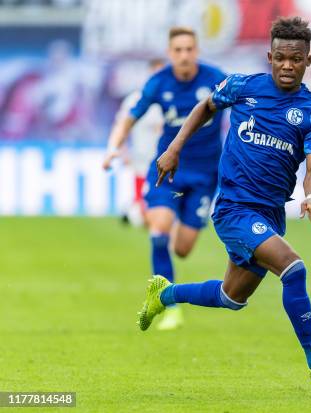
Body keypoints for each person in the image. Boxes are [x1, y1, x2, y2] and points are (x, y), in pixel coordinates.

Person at [138, 16, 311, 384]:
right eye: (281, 58)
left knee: (231, 297)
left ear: (309, 61)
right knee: (293, 268)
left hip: (270, 214)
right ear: (269, 56)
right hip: (234, 209)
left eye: (297, 59)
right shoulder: (242, 87)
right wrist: (175, 147)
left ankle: (166, 293)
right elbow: (206, 106)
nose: (288, 66)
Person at [103, 27, 226, 330]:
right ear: (171, 54)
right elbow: (129, 117)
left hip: (204, 175)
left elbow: (246, 107)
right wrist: (112, 148)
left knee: (183, 248)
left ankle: (169, 279)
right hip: (167, 170)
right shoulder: (159, 83)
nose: (184, 55)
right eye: (178, 50)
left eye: (189, 49)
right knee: (159, 232)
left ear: (196, 51)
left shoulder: (216, 79)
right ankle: (169, 306)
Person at [112, 58, 165, 227]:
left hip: (166, 160)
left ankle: (133, 212)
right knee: (144, 206)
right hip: (142, 158)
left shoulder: (172, 99)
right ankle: (135, 210)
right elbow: (121, 125)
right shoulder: (135, 99)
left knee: (163, 203)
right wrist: (122, 149)